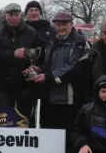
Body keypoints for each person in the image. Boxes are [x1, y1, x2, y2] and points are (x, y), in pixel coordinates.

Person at [32, 12, 91, 153]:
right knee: (51, 130)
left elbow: (74, 68)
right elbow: (51, 65)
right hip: (51, 96)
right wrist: (40, 69)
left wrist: (48, 77)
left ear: (72, 24)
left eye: (65, 24)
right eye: (58, 24)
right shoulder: (51, 41)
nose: (61, 27)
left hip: (71, 96)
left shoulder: (81, 44)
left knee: (69, 132)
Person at [0, 3, 38, 112]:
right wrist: (12, 54)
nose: (13, 18)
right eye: (10, 15)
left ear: (21, 15)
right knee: (5, 119)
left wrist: (34, 67)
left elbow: (38, 54)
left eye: (16, 15)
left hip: (25, 84)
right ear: (5, 15)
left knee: (24, 118)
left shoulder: (31, 32)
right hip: (4, 85)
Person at [24, 0, 56, 127]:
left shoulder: (50, 29)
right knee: (26, 111)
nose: (34, 12)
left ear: (40, 13)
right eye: (31, 10)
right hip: (25, 76)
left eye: (36, 10)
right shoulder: (22, 29)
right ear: (26, 13)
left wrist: (42, 69)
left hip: (45, 75)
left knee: (45, 111)